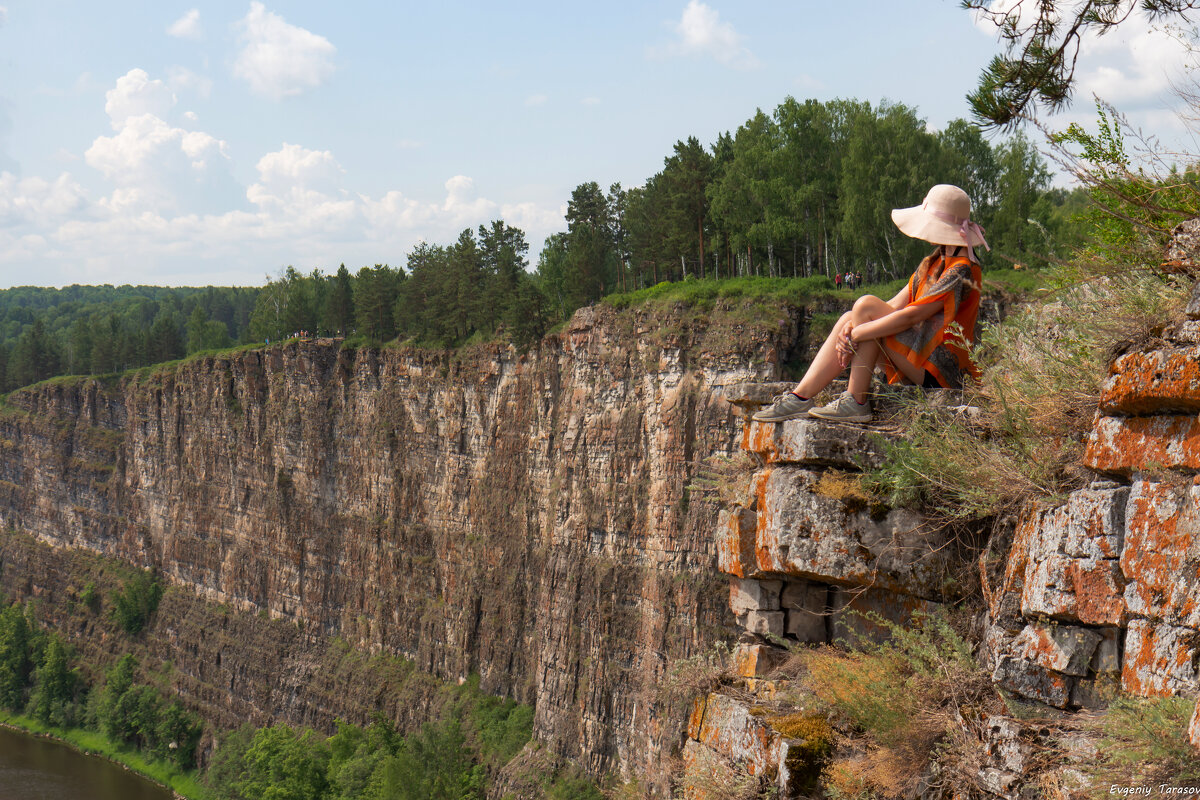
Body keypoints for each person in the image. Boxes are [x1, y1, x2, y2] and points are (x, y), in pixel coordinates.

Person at [753, 184, 987, 424]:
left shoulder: (962, 270)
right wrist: (854, 325)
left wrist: (858, 332)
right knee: (852, 315)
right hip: (920, 358)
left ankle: (855, 401)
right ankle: (799, 398)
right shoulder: (936, 261)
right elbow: (896, 305)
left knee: (865, 312)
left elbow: (911, 317)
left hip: (940, 373)